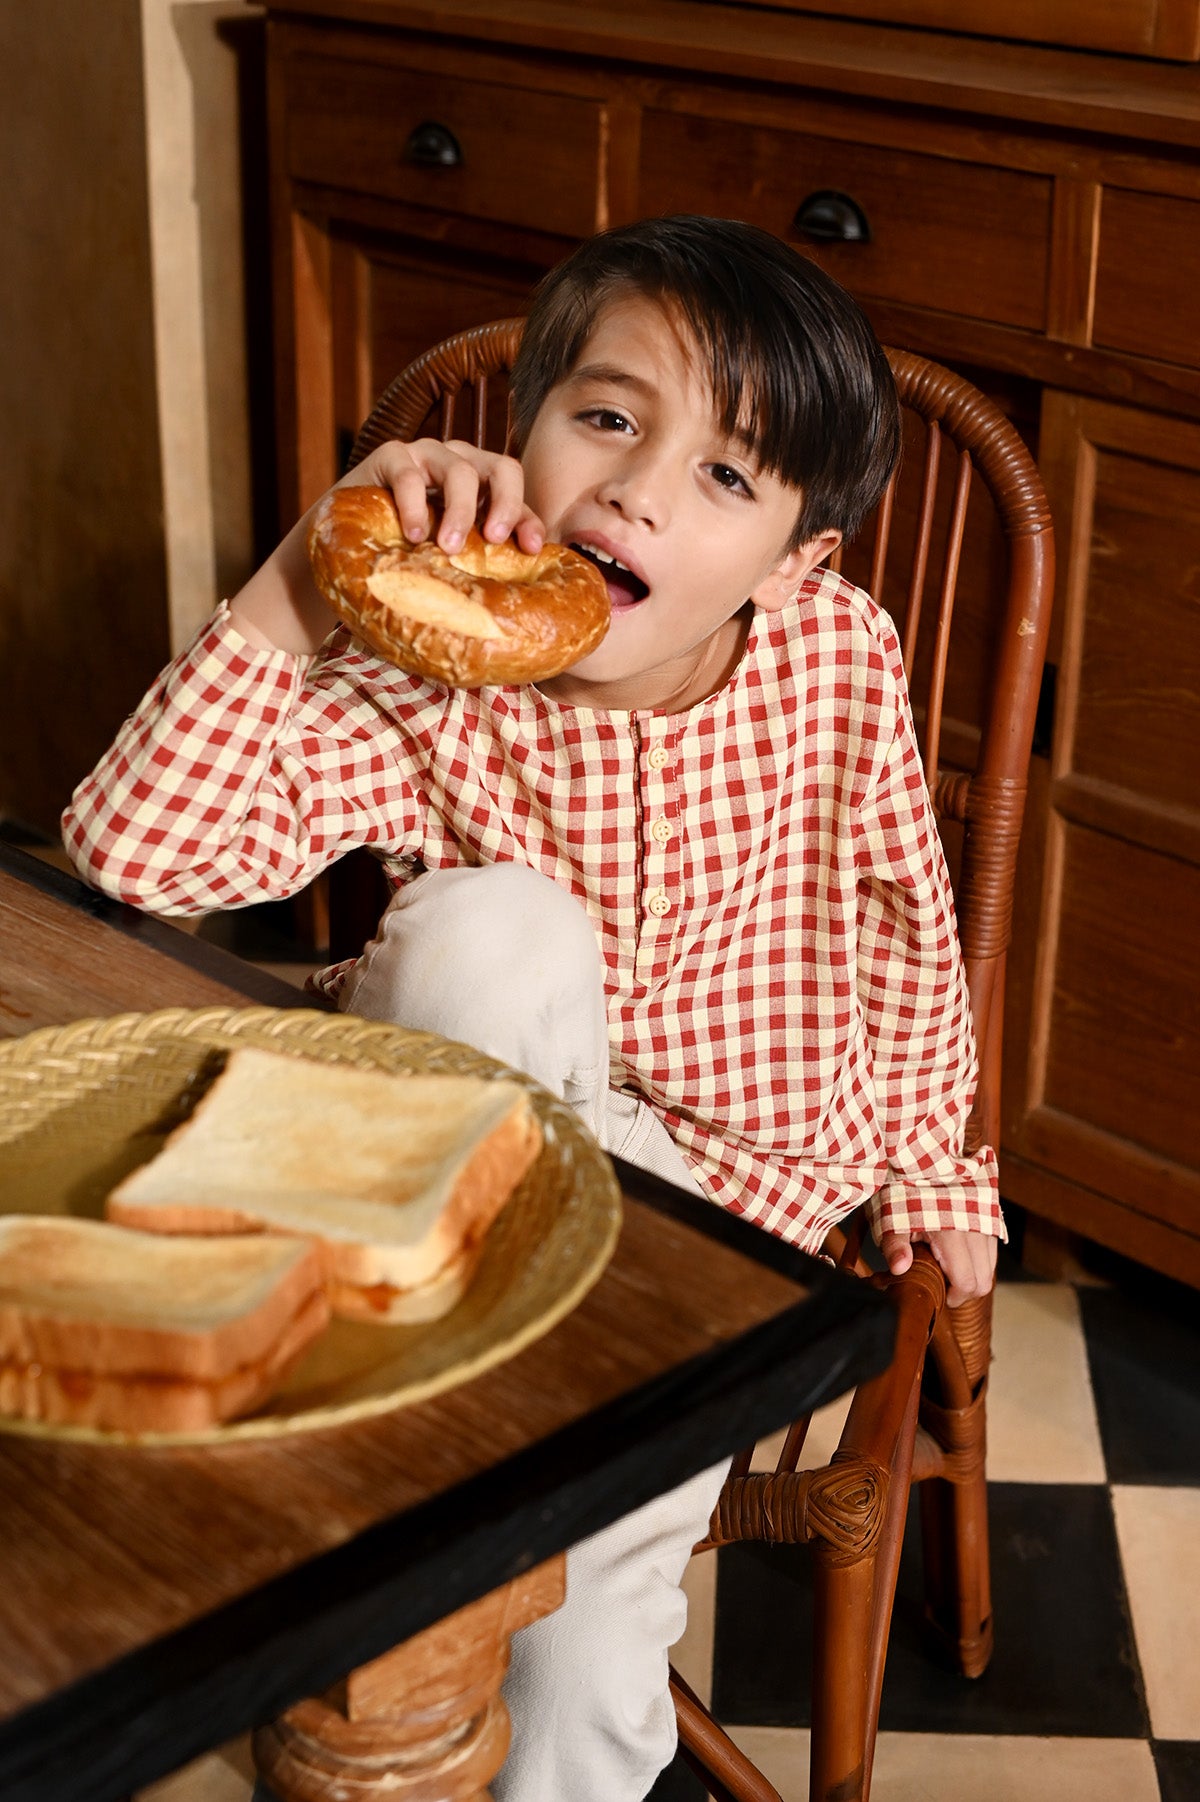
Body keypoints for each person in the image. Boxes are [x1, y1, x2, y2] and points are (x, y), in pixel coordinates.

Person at [63, 214, 1003, 1800]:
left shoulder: (839, 661)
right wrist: (308, 573)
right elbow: (132, 853)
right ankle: (437, 1435)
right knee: (498, 923)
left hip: (728, 1189)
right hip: (466, 1169)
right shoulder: (438, 653)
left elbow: (906, 924)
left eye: (727, 475)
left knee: (583, 1613)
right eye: (609, 418)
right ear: (518, 438)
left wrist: (936, 1164)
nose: (637, 487)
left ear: (799, 561)